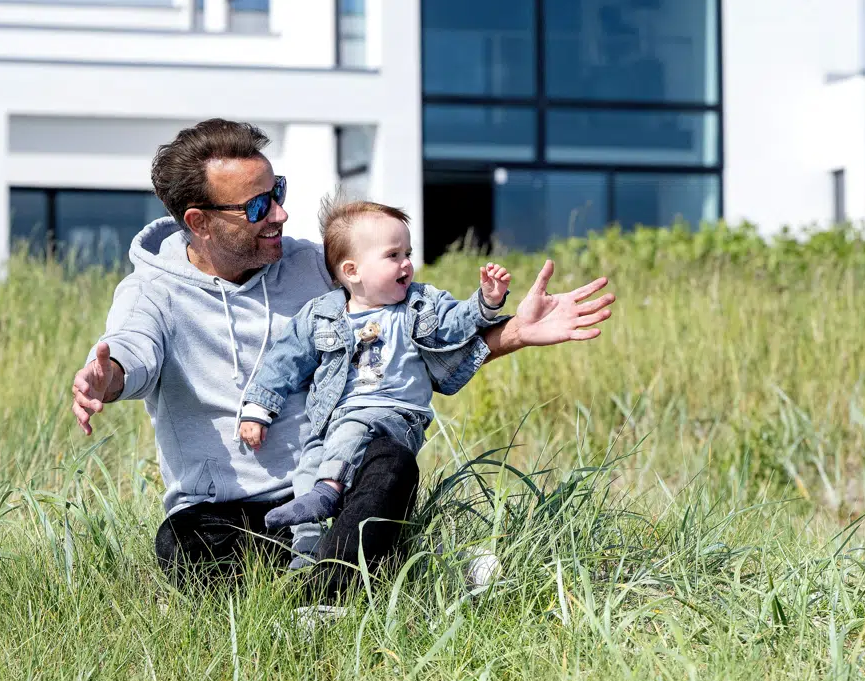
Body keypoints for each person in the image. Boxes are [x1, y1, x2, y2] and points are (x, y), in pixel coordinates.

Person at [69, 119, 614, 592]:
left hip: (331, 484)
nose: (280, 213)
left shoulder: (315, 267)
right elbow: (132, 351)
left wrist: (515, 329)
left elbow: (408, 340)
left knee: (389, 459)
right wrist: (106, 378)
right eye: (258, 205)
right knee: (185, 549)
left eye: (277, 190)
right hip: (226, 510)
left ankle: (328, 591)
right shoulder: (151, 293)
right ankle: (394, 572)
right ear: (200, 222)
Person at [234, 199, 513, 570]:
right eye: (393, 255)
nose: (407, 263)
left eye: (408, 253)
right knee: (307, 466)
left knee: (355, 429)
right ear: (352, 271)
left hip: (394, 414)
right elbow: (283, 360)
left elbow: (453, 323)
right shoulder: (322, 314)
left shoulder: (419, 304)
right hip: (331, 420)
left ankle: (329, 489)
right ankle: (306, 550)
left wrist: (486, 302)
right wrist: (258, 410)